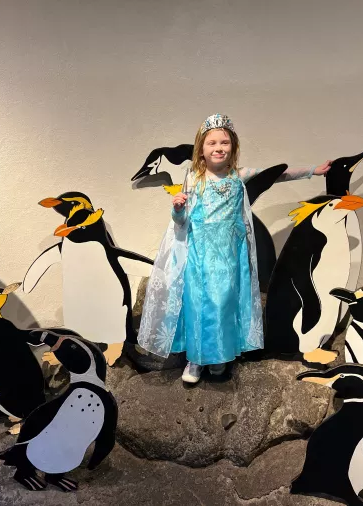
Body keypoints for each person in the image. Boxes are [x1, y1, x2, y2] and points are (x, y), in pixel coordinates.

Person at [138, 114, 331, 383]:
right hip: (198, 254)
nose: (218, 147)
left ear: (233, 147)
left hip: (228, 255)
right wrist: (177, 208)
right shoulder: (193, 178)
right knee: (195, 305)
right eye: (212, 143)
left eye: (224, 142)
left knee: (223, 303)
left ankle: (219, 357)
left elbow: (279, 175)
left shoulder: (240, 176)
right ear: (201, 150)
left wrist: (313, 171)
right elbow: (182, 220)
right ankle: (195, 360)